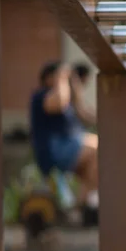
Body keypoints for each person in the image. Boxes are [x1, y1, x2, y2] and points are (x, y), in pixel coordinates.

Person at [29, 61, 99, 221]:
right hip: (54, 151)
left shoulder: (69, 101)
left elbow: (87, 115)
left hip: (69, 148)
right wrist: (62, 74)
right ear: (49, 78)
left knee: (97, 156)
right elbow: (59, 102)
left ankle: (82, 206)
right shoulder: (42, 96)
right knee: (96, 148)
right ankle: (81, 206)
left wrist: (76, 89)